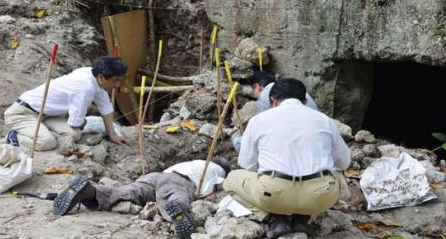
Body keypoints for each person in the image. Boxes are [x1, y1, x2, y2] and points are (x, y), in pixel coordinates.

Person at [224, 78, 351, 238]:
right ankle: (303, 218)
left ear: (272, 100)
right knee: (337, 177)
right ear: (304, 100)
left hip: (272, 194)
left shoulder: (258, 120)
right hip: (318, 196)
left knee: (230, 180)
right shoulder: (325, 121)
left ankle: (275, 219)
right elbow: (344, 162)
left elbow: (246, 163)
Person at [52, 157, 231, 239]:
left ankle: (90, 191)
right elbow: (220, 189)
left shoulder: (193, 162)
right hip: (178, 181)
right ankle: (177, 209)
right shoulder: (217, 171)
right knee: (174, 196)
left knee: (128, 192)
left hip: (157, 176)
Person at [4, 56, 129, 154]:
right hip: (23, 112)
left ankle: (41, 130)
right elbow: (75, 123)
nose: (118, 85)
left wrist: (112, 134)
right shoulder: (85, 88)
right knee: (47, 143)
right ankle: (16, 137)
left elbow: (106, 108)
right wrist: (86, 123)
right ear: (102, 77)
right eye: (115, 80)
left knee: (75, 134)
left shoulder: (92, 75)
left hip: (47, 115)